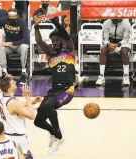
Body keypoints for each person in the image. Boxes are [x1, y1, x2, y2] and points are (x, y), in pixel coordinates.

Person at [33, 17, 82, 154]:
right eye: (53, 41)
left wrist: (55, 22)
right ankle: (52, 132)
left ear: (61, 41)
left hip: (67, 89)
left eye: (57, 40)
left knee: (49, 107)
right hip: (53, 90)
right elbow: (39, 41)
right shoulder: (50, 53)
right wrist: (37, 27)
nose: (55, 42)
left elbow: (66, 35)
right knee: (38, 120)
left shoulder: (70, 50)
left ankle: (59, 137)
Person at [0, 77, 42, 159]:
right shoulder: (12, 102)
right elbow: (31, 116)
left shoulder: (1, 96)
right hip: (17, 137)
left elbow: (18, 107)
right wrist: (28, 97)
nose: (15, 82)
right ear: (10, 88)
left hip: (7, 135)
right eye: (13, 83)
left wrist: (32, 102)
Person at [0, 8, 30, 84]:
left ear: (16, 16)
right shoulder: (4, 20)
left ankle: (23, 73)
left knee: (24, 47)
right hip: (9, 47)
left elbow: (26, 40)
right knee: (0, 47)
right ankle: (4, 72)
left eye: (14, 16)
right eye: (10, 16)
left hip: (19, 45)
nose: (12, 18)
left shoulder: (22, 22)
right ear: (7, 16)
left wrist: (10, 43)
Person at [96, 19, 132, 87]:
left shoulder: (126, 23)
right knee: (103, 49)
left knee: (124, 51)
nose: (113, 18)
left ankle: (126, 75)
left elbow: (126, 39)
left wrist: (117, 45)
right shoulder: (106, 23)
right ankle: (101, 76)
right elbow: (105, 38)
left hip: (123, 43)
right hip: (110, 42)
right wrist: (108, 44)